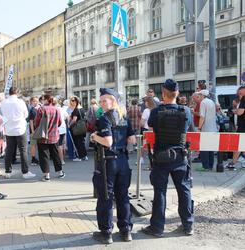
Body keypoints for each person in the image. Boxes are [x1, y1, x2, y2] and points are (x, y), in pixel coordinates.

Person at [142, 79, 194, 237]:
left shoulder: (157, 112)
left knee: (160, 193)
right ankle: (188, 225)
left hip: (161, 157)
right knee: (184, 190)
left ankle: (157, 228)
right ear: (177, 94)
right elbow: (188, 126)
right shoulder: (185, 111)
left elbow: (151, 126)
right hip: (180, 156)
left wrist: (155, 108)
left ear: (163, 94)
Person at [90, 88, 136, 244]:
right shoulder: (125, 118)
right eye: (101, 100)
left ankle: (106, 233)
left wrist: (95, 136)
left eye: (105, 100)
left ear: (113, 101)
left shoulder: (105, 118)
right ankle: (126, 231)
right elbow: (132, 140)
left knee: (106, 197)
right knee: (123, 196)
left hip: (109, 162)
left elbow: (108, 142)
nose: (102, 103)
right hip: (123, 160)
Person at [0, 87, 36, 179]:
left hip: (9, 129)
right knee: (23, 150)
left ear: (9, 92)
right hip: (20, 129)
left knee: (9, 151)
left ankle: (8, 171)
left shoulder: (4, 102)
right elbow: (26, 115)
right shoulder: (20, 102)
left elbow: (2, 114)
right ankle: (25, 172)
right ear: (17, 93)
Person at [35, 94, 65, 181]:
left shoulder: (41, 109)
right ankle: (60, 172)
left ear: (46, 100)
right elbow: (60, 122)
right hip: (54, 135)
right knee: (55, 154)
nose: (42, 100)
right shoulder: (57, 109)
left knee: (44, 155)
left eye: (43, 99)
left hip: (43, 136)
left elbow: (37, 122)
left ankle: (47, 175)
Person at [225, 86, 245, 170]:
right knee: (242, 146)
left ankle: (232, 163)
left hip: (243, 126)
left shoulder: (244, 99)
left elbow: (240, 112)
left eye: (240, 93)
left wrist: (235, 111)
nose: (239, 95)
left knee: (237, 146)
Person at [197, 89, 218, 171]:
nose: (199, 96)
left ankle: (205, 166)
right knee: (210, 149)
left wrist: (199, 128)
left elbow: (202, 116)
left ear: (202, 95)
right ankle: (210, 165)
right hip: (213, 128)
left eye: (199, 95)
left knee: (204, 148)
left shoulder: (203, 102)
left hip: (206, 128)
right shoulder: (211, 102)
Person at [69, 96, 88, 161]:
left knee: (78, 142)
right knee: (82, 142)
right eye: (71, 100)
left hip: (77, 128)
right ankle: (84, 156)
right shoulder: (82, 109)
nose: (71, 102)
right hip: (83, 127)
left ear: (77, 101)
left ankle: (80, 156)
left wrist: (69, 125)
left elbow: (74, 120)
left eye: (73, 100)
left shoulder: (76, 110)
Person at [28, 96, 40, 166]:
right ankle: (33, 158)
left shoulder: (40, 108)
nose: (35, 102)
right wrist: (32, 131)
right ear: (31, 102)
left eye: (36, 101)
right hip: (34, 130)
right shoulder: (32, 110)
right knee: (33, 145)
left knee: (39, 145)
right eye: (34, 101)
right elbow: (31, 121)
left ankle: (38, 158)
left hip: (39, 129)